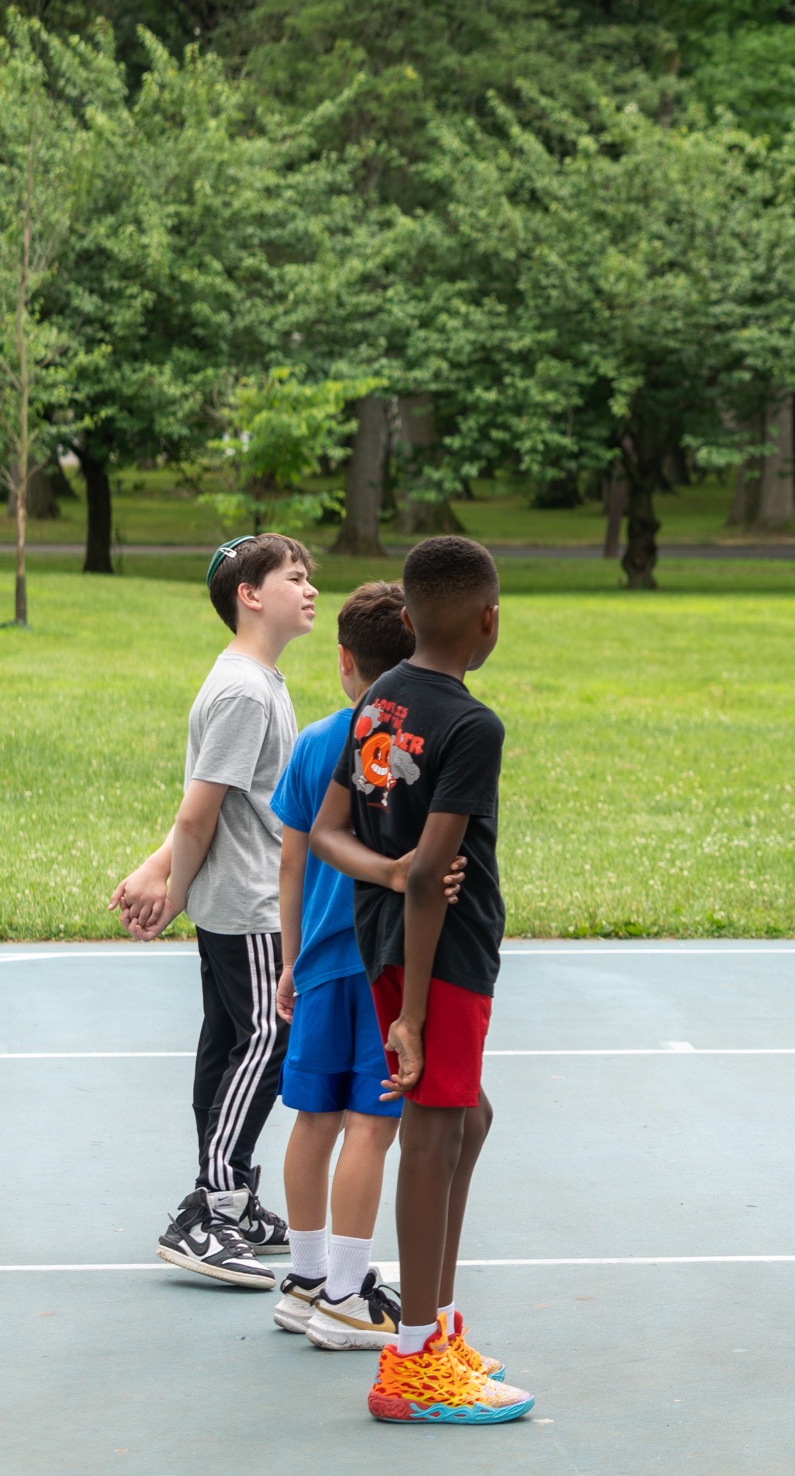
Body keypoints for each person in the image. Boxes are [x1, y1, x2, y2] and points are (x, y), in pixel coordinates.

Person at [310, 536, 532, 1425]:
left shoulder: (375, 700)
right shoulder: (473, 725)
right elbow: (436, 871)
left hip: (387, 945)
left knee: (467, 1116)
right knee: (435, 1131)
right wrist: (411, 1018)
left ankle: (434, 1327)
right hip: (442, 955)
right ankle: (410, 1367)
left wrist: (389, 872)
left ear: (403, 619)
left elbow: (327, 834)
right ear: (488, 622)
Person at [113, 534, 315, 1289]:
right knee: (271, 1035)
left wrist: (160, 871)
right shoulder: (243, 690)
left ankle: (228, 1198)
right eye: (293, 577)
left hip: (241, 898)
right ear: (249, 595)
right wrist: (169, 889)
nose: (309, 589)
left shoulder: (256, 680)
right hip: (254, 904)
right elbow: (200, 815)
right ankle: (213, 1207)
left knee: (232, 1040)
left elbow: (213, 804)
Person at [269, 581, 466, 1351]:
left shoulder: (318, 740)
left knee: (312, 1119)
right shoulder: (409, 747)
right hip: (377, 958)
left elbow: (291, 862)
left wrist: (290, 959)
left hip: (317, 961)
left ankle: (306, 1278)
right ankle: (347, 1296)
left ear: (345, 661)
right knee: (370, 1127)